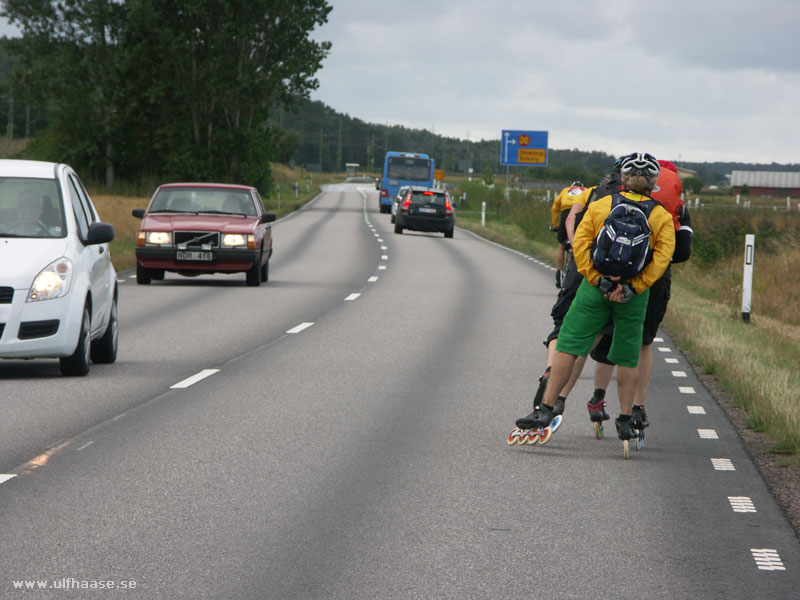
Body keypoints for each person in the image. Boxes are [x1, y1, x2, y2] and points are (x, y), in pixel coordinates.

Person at [520, 152, 675, 441]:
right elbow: (662, 259)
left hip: (594, 290)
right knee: (628, 358)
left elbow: (580, 244)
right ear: (653, 183)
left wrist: (597, 279)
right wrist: (634, 287)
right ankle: (627, 419)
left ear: (623, 179)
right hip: (633, 297)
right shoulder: (661, 216)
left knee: (568, 345)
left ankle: (546, 408)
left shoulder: (602, 204)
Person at [586, 159, 694, 430]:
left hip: (613, 275)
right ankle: (637, 408)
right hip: (653, 280)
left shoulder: (616, 198)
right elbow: (681, 252)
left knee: (607, 337)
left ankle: (598, 399)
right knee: (643, 343)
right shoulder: (675, 206)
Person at [551, 181, 588, 287]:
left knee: (561, 245)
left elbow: (555, 208)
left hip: (566, 214)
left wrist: (555, 225)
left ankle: (558, 274)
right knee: (581, 243)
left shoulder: (565, 191)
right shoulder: (587, 191)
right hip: (581, 214)